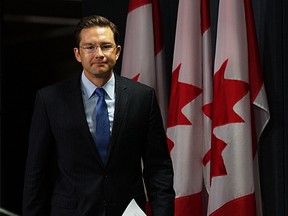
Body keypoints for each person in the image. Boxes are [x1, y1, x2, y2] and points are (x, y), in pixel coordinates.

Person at [22, 15, 175, 216]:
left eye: (106, 46)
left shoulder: (142, 97)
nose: (99, 54)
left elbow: (158, 169)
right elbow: (36, 173)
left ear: (117, 51)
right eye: (90, 47)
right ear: (77, 54)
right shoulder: (50, 100)